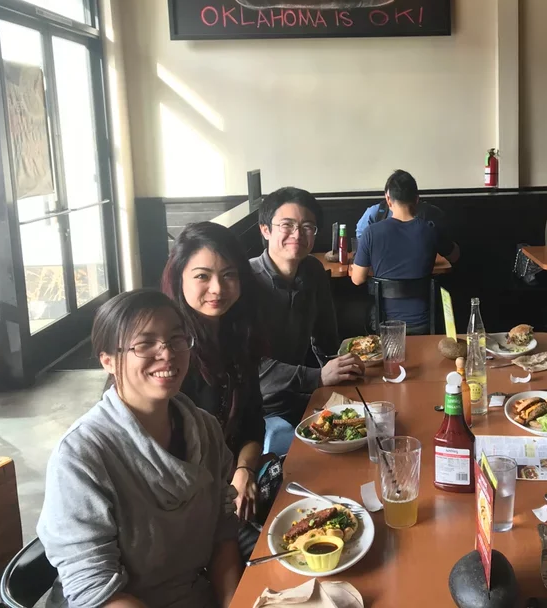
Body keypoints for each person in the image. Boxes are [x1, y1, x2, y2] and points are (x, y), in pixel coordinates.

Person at [38, 290, 242, 608]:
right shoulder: (81, 456)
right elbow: (97, 593)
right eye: (145, 344)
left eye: (177, 338)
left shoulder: (204, 429)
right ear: (108, 360)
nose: (167, 353)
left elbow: (222, 534)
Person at [162, 222, 266, 531]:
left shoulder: (237, 338)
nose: (218, 288)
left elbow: (253, 422)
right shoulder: (170, 353)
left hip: (232, 495)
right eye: (202, 276)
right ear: (179, 278)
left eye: (228, 275)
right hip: (182, 514)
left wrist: (244, 470)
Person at [251, 187, 364, 455]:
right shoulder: (246, 281)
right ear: (265, 230)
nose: (297, 235)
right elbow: (253, 369)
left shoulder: (312, 270)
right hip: (259, 409)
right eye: (287, 225)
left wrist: (342, 366)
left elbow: (325, 337)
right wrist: (318, 376)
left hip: (301, 397)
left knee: (374, 423)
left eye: (307, 226)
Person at [350, 169, 459, 334]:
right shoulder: (430, 230)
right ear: (417, 199)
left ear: (388, 199)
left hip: (384, 322)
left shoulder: (371, 232)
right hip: (425, 322)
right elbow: (455, 256)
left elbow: (357, 279)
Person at [355, 175, 450, 241]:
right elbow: (453, 255)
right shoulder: (376, 213)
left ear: (388, 198)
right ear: (417, 199)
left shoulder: (428, 214)